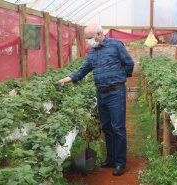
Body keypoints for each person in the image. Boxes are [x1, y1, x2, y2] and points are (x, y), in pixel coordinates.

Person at [59, 23, 134, 176]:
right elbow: (82, 71)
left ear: (99, 34)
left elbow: (129, 63)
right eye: (86, 39)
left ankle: (120, 163)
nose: (88, 41)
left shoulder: (116, 45)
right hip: (101, 93)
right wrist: (65, 80)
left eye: (89, 38)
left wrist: (119, 78)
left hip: (116, 92)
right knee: (106, 127)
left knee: (118, 128)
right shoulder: (92, 53)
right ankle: (111, 158)